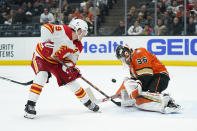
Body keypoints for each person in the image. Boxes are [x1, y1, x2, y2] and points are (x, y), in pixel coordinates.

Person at [24, 18, 99, 119]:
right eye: (83, 31)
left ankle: (88, 102)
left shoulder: (78, 46)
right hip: (41, 57)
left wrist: (70, 69)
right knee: (42, 76)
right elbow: (46, 28)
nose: (84, 34)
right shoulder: (62, 30)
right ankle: (30, 105)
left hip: (57, 62)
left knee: (72, 82)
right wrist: (46, 42)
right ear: (77, 29)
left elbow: (69, 61)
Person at [115, 44, 181, 113]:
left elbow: (146, 76)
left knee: (142, 97)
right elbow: (134, 80)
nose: (123, 61)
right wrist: (120, 92)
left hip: (159, 77)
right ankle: (162, 99)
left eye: (122, 58)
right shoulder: (131, 65)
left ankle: (167, 102)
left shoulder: (139, 53)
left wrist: (137, 89)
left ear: (126, 53)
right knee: (137, 96)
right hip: (151, 79)